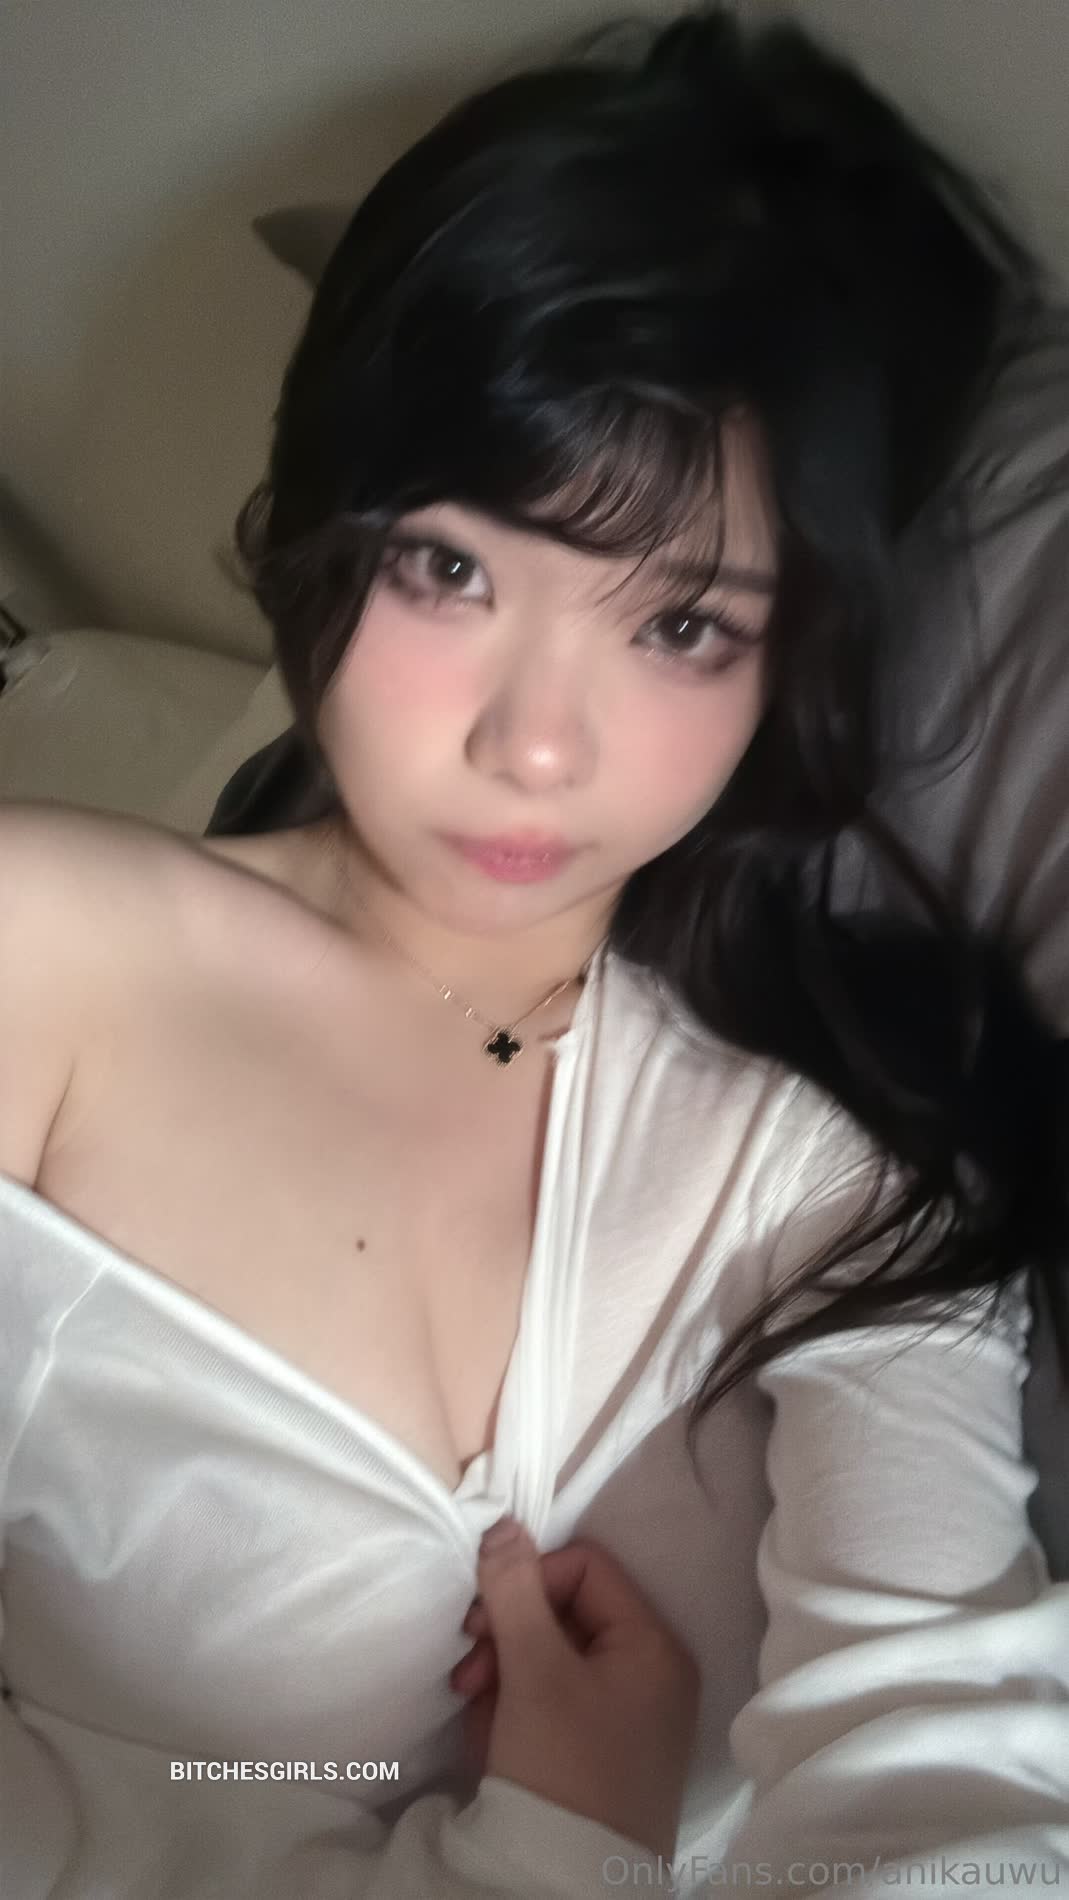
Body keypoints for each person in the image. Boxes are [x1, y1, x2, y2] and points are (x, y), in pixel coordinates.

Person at [2, 7, 1068, 1895]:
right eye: (452, 568)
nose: (537, 747)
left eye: (679, 625)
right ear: (318, 532)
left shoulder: (849, 1174)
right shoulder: (48, 958)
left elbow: (945, 1775)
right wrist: (566, 1845)